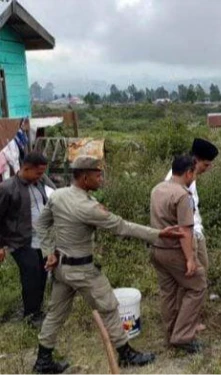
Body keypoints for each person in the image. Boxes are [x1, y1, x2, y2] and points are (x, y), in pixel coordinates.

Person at [33, 156, 183, 374]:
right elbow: (122, 227)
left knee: (55, 314)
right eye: (97, 174)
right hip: (83, 271)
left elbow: (42, 223)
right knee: (110, 307)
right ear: (84, 178)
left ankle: (43, 360)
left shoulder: (58, 195)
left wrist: (49, 252)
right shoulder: (88, 207)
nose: (101, 178)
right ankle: (126, 354)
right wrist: (159, 233)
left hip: (62, 269)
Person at [151, 155, 206, 354]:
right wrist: (190, 259)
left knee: (168, 293)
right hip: (175, 252)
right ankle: (182, 337)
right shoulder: (183, 195)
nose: (194, 177)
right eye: (194, 173)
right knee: (198, 285)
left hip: (157, 250)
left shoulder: (157, 189)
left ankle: (170, 335)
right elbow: (185, 231)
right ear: (188, 172)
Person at [164, 137, 218, 333]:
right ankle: (186, 324)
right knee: (193, 278)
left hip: (195, 231)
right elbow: (177, 214)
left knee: (198, 276)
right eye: (206, 164)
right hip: (188, 235)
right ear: (195, 161)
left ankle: (187, 319)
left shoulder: (188, 178)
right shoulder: (177, 179)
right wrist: (189, 250)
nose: (207, 168)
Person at [0, 153, 55, 328]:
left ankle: (36, 310)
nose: (41, 176)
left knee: (42, 273)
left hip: (42, 239)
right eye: (38, 173)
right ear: (26, 168)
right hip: (20, 241)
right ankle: (30, 315)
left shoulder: (40, 182)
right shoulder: (7, 188)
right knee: (31, 275)